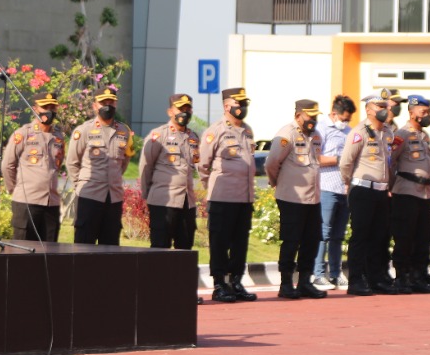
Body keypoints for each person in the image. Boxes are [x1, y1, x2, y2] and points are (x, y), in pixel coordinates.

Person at [198, 87, 258, 303]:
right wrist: (212, 186)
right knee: (220, 242)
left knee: (240, 242)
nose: (242, 107)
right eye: (238, 103)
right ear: (226, 106)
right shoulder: (216, 131)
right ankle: (219, 284)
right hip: (222, 197)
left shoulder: (248, 131)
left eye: (244, 103)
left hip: (244, 197)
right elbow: (203, 165)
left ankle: (236, 282)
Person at [266, 99, 327, 300]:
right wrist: (278, 182)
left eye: (315, 115)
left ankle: (304, 282)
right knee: (291, 241)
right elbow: (272, 163)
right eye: (310, 116)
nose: (313, 119)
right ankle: (285, 283)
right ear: (298, 115)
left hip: (312, 198)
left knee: (311, 240)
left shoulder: (316, 136)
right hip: (291, 197)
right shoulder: (286, 134)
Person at [339, 94, 398, 296]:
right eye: (379, 105)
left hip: (382, 191)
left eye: (385, 105)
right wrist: (350, 183)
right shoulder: (359, 132)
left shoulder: (388, 132)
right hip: (362, 189)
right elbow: (345, 162)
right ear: (368, 110)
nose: (384, 108)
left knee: (379, 238)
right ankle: (355, 280)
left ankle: (376, 279)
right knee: (360, 237)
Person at [66, 87, 133, 245]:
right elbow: (72, 162)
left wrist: (113, 178)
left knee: (110, 247)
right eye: (103, 102)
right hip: (89, 196)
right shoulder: (84, 130)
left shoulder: (124, 131)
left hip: (113, 198)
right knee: (84, 245)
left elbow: (124, 161)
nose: (107, 105)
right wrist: (81, 185)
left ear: (116, 103)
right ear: (94, 105)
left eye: (111, 102)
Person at [390, 94, 430, 294]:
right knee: (405, 237)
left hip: (425, 193)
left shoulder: (424, 136)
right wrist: (391, 188)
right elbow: (390, 161)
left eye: (429, 112)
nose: (428, 116)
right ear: (411, 113)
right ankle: (403, 276)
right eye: (424, 112)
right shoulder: (402, 134)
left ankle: (418, 275)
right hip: (406, 191)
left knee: (423, 237)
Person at [139, 93, 201, 251]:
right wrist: (148, 195)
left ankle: (181, 277)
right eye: (180, 108)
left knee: (185, 248)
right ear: (170, 112)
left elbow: (198, 165)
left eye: (188, 108)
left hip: (187, 202)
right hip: (163, 201)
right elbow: (145, 167)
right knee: (160, 248)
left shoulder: (193, 138)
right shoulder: (158, 135)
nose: (184, 112)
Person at [2, 92, 65, 242]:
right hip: (26, 202)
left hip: (51, 203)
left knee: (49, 254)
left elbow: (58, 164)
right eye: (45, 107)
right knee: (23, 252)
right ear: (35, 108)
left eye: (52, 107)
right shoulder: (23, 134)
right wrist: (15, 190)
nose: (49, 111)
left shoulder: (59, 137)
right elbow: (7, 166)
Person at [312, 95, 355, 289]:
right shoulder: (320, 130)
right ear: (333, 114)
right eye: (343, 118)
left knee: (338, 235)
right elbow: (315, 158)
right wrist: (339, 159)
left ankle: (336, 273)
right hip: (326, 187)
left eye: (347, 119)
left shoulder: (349, 132)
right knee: (324, 233)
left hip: (344, 188)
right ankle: (318, 273)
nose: (345, 122)